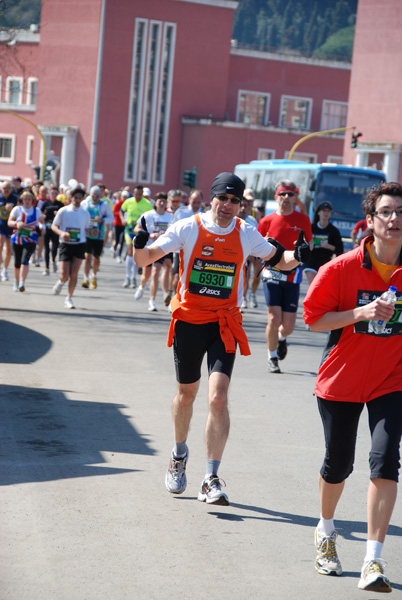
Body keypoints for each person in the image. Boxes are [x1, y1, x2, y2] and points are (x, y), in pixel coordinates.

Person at [133, 172, 310, 505]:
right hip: (188, 320)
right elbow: (144, 258)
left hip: (224, 323)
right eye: (223, 199)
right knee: (186, 395)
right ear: (211, 198)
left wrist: (299, 254)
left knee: (218, 397)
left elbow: (280, 261)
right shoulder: (187, 227)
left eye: (235, 201)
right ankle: (179, 454)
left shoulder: (246, 233)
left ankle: (210, 477)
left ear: (241, 204)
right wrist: (138, 241)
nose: (228, 206)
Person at [303, 182, 402, 593]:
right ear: (371, 220)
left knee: (385, 461)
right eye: (386, 212)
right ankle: (326, 530)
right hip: (341, 380)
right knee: (339, 464)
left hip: (390, 380)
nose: (394, 219)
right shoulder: (341, 268)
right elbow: (313, 318)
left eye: (400, 211)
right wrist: (361, 310)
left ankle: (372, 561)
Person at [258, 180, 313, 373]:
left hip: (293, 276)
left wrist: (304, 251)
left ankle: (282, 338)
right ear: (276, 198)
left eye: (290, 194)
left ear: (296, 198)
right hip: (271, 274)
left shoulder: (303, 220)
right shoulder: (266, 221)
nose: (286, 198)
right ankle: (272, 357)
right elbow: (257, 247)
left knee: (288, 326)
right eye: (282, 194)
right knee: (273, 318)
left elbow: (310, 245)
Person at [51, 186, 90, 309]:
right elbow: (54, 226)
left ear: (82, 199)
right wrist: (62, 233)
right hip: (65, 244)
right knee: (64, 274)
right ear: (70, 198)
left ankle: (69, 298)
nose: (77, 200)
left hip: (80, 244)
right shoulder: (63, 211)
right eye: (75, 197)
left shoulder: (85, 213)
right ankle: (61, 281)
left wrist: (91, 233)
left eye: (80, 198)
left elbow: (86, 229)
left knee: (74, 274)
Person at [133, 192, 173, 311]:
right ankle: (142, 285)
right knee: (147, 275)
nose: (162, 203)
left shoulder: (170, 216)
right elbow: (136, 228)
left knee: (157, 272)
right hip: (149, 248)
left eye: (164, 201)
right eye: (159, 201)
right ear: (155, 203)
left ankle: (153, 300)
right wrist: (150, 235)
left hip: (163, 248)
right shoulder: (148, 215)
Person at [7, 190, 45, 292]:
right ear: (22, 200)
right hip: (17, 239)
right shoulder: (17, 209)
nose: (27, 201)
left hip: (31, 238)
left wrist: (42, 227)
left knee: (25, 259)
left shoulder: (36, 211)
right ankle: (16, 281)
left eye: (29, 199)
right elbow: (9, 222)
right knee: (17, 262)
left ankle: (22, 283)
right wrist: (16, 223)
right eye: (25, 199)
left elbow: (41, 222)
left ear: (32, 200)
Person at [303, 201, 343, 286]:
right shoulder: (311, 228)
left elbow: (340, 250)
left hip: (325, 262)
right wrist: (309, 245)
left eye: (328, 211)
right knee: (314, 283)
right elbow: (302, 244)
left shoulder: (333, 231)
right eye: (324, 211)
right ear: (318, 213)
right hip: (310, 261)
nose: (326, 213)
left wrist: (328, 246)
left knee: (321, 286)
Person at [80, 185, 113, 289]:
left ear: (100, 196)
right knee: (87, 256)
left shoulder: (104, 205)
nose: (94, 198)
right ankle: (85, 278)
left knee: (96, 258)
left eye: (97, 196)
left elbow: (111, 218)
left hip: (99, 235)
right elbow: (80, 215)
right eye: (93, 195)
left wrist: (102, 220)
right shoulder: (85, 203)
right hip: (87, 234)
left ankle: (94, 275)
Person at [121, 185, 153, 288]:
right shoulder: (128, 201)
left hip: (140, 232)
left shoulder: (147, 204)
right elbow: (121, 211)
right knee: (130, 251)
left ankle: (134, 277)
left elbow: (152, 216)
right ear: (133, 193)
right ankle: (127, 277)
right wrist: (123, 220)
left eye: (140, 194)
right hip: (129, 230)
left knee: (136, 254)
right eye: (136, 194)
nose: (138, 196)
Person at [41, 187, 64, 275]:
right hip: (47, 227)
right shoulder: (46, 203)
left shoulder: (60, 205)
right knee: (46, 248)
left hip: (56, 228)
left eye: (55, 193)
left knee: (55, 245)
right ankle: (46, 268)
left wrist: (58, 214)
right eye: (52, 193)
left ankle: (53, 260)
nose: (53, 195)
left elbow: (63, 216)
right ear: (49, 194)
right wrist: (43, 217)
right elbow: (41, 214)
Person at [0, 180, 19, 281]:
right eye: (4, 188)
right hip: (1, 225)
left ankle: (5, 270)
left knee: (8, 250)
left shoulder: (15, 199)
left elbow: (20, 211)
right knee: (0, 245)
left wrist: (13, 209)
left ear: (11, 189)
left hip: (10, 227)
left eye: (8, 188)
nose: (6, 190)